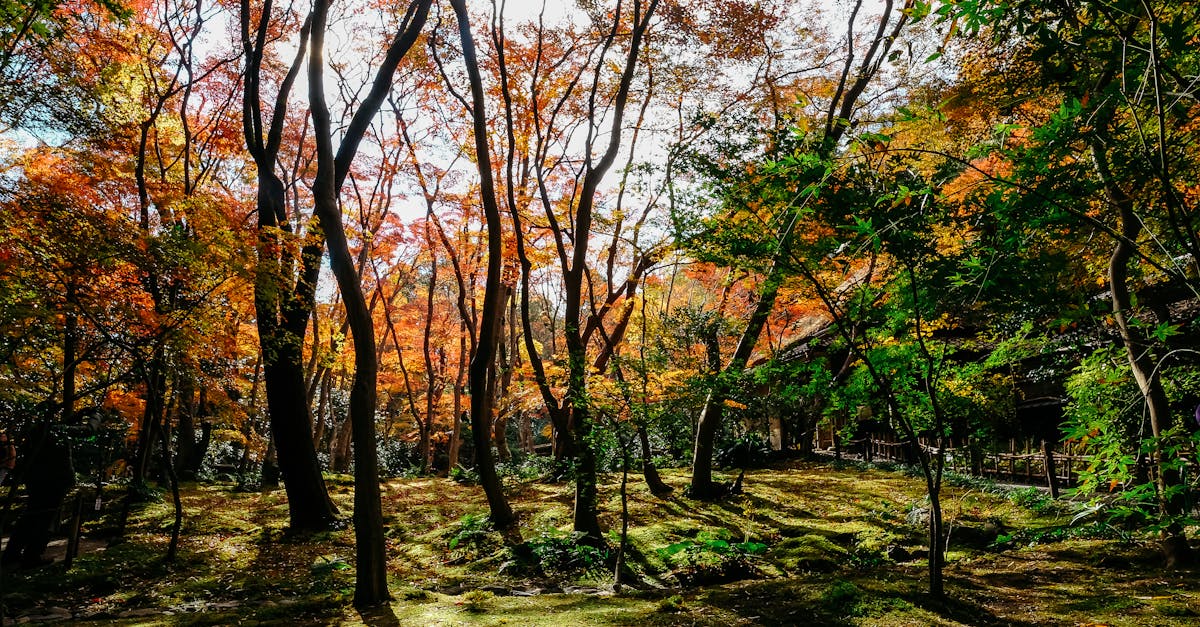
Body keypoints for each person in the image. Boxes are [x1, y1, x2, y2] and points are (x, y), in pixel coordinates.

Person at [2, 423, 75, 569]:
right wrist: (95, 417)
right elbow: (86, 431)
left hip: (36, 480)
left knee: (30, 516)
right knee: (44, 519)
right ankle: (32, 555)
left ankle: (12, 553)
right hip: (54, 481)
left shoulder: (34, 432)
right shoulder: (56, 432)